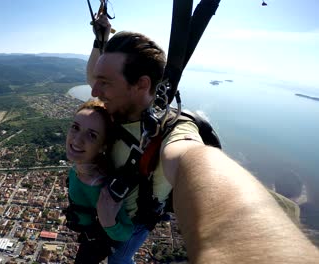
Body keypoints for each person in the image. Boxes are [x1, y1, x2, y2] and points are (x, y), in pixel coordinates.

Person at [87, 14, 319, 263]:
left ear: (141, 85)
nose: (94, 91)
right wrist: (99, 40)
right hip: (111, 210)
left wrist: (263, 247)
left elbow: (194, 160)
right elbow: (93, 76)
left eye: (104, 82)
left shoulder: (172, 130)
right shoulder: (119, 102)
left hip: (134, 223)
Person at [65, 100, 134, 263]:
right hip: (88, 234)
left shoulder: (102, 186)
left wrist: (108, 221)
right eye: (75, 127)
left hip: (98, 241)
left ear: (103, 146)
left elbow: (126, 232)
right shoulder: (80, 167)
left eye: (92, 135)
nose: (77, 140)